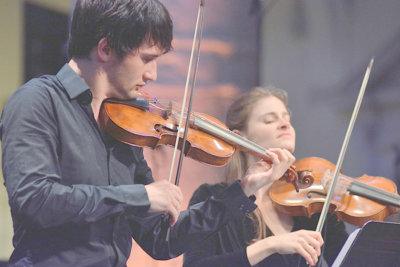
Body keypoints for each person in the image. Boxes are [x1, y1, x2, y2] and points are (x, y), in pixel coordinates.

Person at [0, 1, 296, 266]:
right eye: (146, 58)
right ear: (105, 49)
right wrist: (138, 195)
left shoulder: (123, 125)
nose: (152, 74)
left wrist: (243, 189)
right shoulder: (37, 101)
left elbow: (162, 241)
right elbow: (35, 200)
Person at [183, 86, 349, 267]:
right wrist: (270, 245)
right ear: (240, 137)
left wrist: (333, 210)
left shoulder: (308, 209)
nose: (285, 124)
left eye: (287, 119)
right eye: (269, 120)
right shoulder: (213, 199)